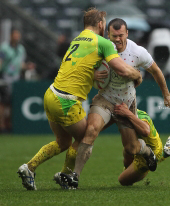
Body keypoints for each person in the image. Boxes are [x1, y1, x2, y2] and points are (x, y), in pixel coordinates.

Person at [17, 8, 142, 190]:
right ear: (100, 24)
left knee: (64, 142)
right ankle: (66, 176)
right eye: (104, 24)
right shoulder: (102, 43)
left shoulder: (77, 40)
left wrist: (92, 75)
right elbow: (122, 69)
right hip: (66, 101)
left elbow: (74, 68)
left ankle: (29, 168)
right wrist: (137, 75)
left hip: (51, 93)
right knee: (86, 137)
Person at [58, 18, 170, 189]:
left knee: (131, 148)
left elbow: (156, 71)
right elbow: (81, 66)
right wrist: (92, 75)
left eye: (121, 35)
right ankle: (74, 177)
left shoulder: (138, 52)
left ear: (127, 33)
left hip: (126, 103)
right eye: (114, 36)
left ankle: (147, 151)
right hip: (105, 99)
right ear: (108, 34)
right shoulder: (102, 47)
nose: (118, 39)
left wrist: (166, 95)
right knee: (90, 131)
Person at [114, 103, 170, 185]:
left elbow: (145, 131)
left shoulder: (140, 116)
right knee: (127, 150)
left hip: (150, 153)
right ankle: (131, 173)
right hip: (139, 146)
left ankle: (161, 157)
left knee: (123, 181)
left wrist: (128, 114)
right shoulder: (119, 112)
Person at [0, 27, 34, 132]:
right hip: (5, 76)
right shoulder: (4, 48)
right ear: (11, 36)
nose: (16, 37)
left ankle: (10, 124)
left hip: (16, 78)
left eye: (18, 35)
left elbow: (20, 64)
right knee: (3, 102)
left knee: (12, 103)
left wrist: (27, 66)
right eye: (15, 35)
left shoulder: (21, 49)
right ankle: (1, 126)